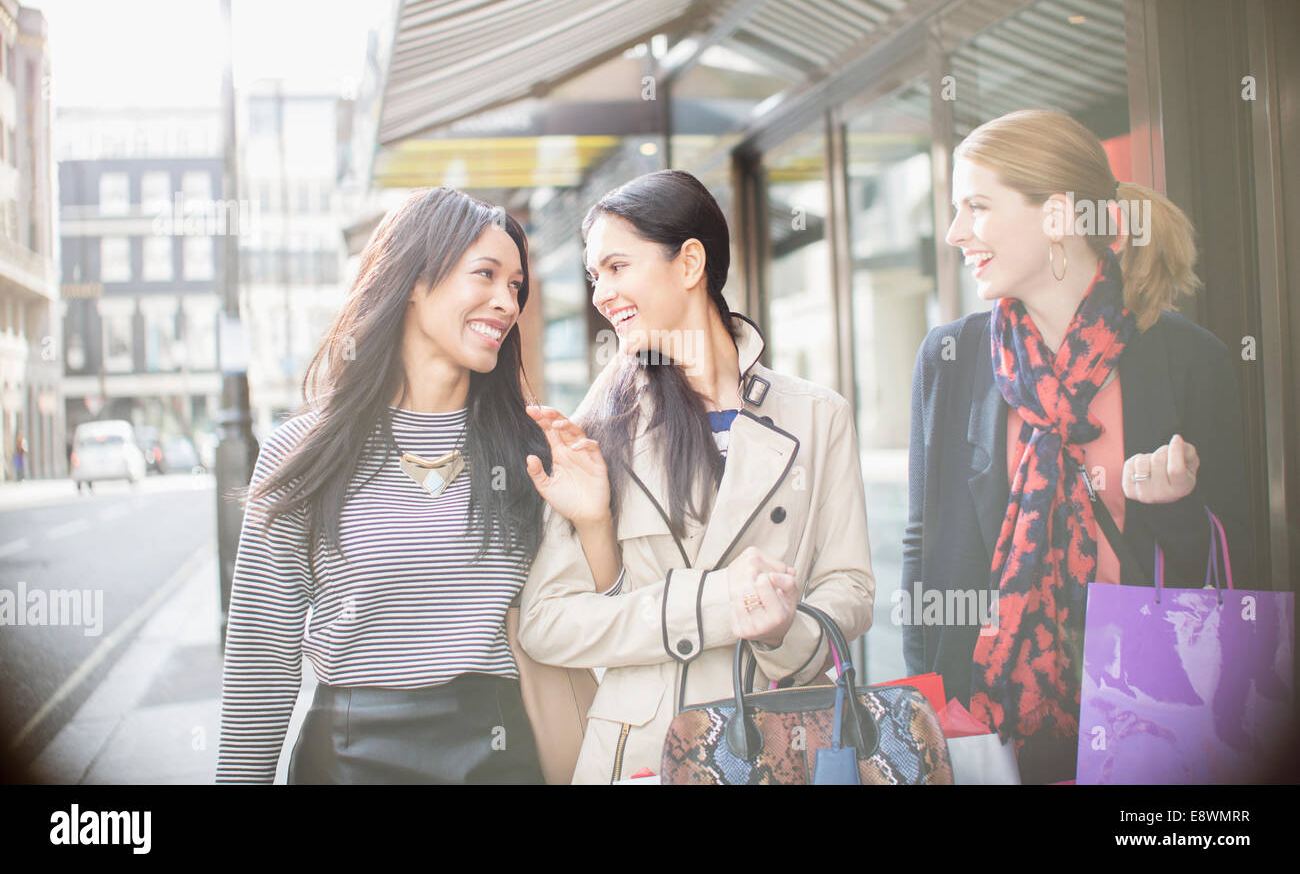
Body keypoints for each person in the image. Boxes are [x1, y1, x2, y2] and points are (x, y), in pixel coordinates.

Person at [903, 109, 1253, 784]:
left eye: (977, 206)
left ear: (1059, 215)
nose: (955, 233)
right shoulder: (951, 359)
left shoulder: (1189, 359)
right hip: (986, 731)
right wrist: (924, 716)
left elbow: (1239, 570)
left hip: (1154, 725)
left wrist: (1175, 507)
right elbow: (925, 545)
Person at [517, 169, 875, 784]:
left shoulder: (818, 416)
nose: (601, 293)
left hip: (777, 738)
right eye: (594, 275)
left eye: (617, 267)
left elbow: (851, 588)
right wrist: (716, 604)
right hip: (639, 754)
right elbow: (547, 622)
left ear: (689, 263)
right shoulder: (598, 427)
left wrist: (783, 629)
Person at [216, 188, 562, 784]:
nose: (506, 302)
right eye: (485, 275)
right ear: (411, 281)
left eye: (516, 286)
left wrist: (598, 520)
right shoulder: (305, 452)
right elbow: (262, 660)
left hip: (499, 754)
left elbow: (581, 611)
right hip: (349, 758)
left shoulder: (536, 452)